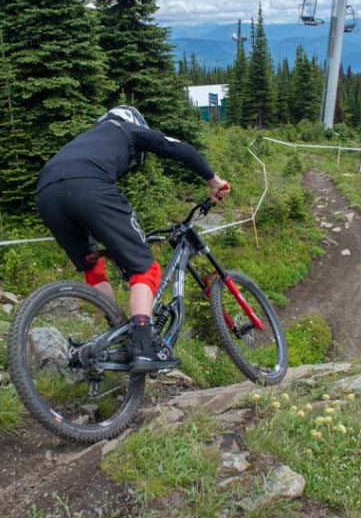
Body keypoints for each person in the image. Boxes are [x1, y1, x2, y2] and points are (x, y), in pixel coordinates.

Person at [36, 105, 230, 373]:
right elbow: (178, 148)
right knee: (145, 268)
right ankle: (143, 348)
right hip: (89, 185)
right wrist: (213, 179)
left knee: (93, 266)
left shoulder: (89, 138)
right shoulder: (127, 130)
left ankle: (117, 331)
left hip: (46, 192)